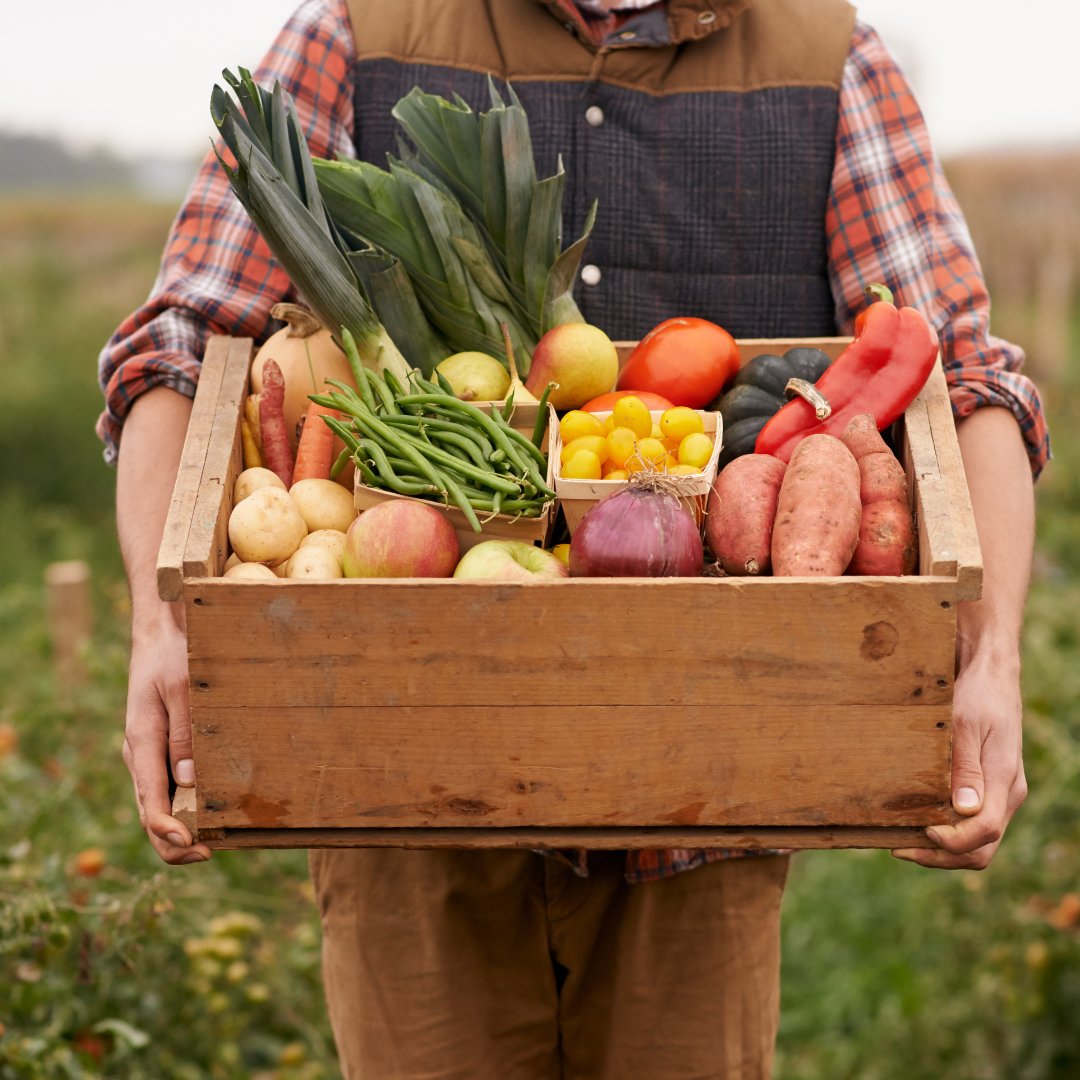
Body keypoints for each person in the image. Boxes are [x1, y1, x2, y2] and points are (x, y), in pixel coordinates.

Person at [99, 1, 1049, 1076]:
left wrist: (992, 656)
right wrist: (161, 622)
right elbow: (182, 348)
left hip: (712, 798)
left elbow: (965, 380)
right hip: (408, 790)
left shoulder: (827, 55)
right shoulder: (355, 32)